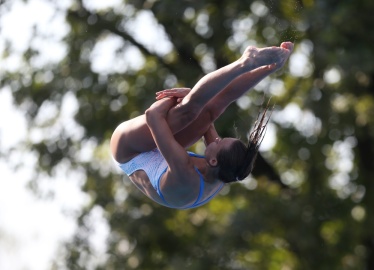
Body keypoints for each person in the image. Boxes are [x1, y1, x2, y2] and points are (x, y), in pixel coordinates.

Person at [110, 42, 294, 209]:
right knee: (209, 111)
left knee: (188, 111)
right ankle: (269, 67)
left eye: (218, 142)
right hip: (163, 154)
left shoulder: (185, 173)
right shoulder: (225, 170)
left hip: (129, 152)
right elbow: (212, 109)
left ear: (213, 160)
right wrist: (194, 98)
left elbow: (153, 115)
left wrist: (175, 99)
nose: (215, 139)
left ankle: (244, 63)